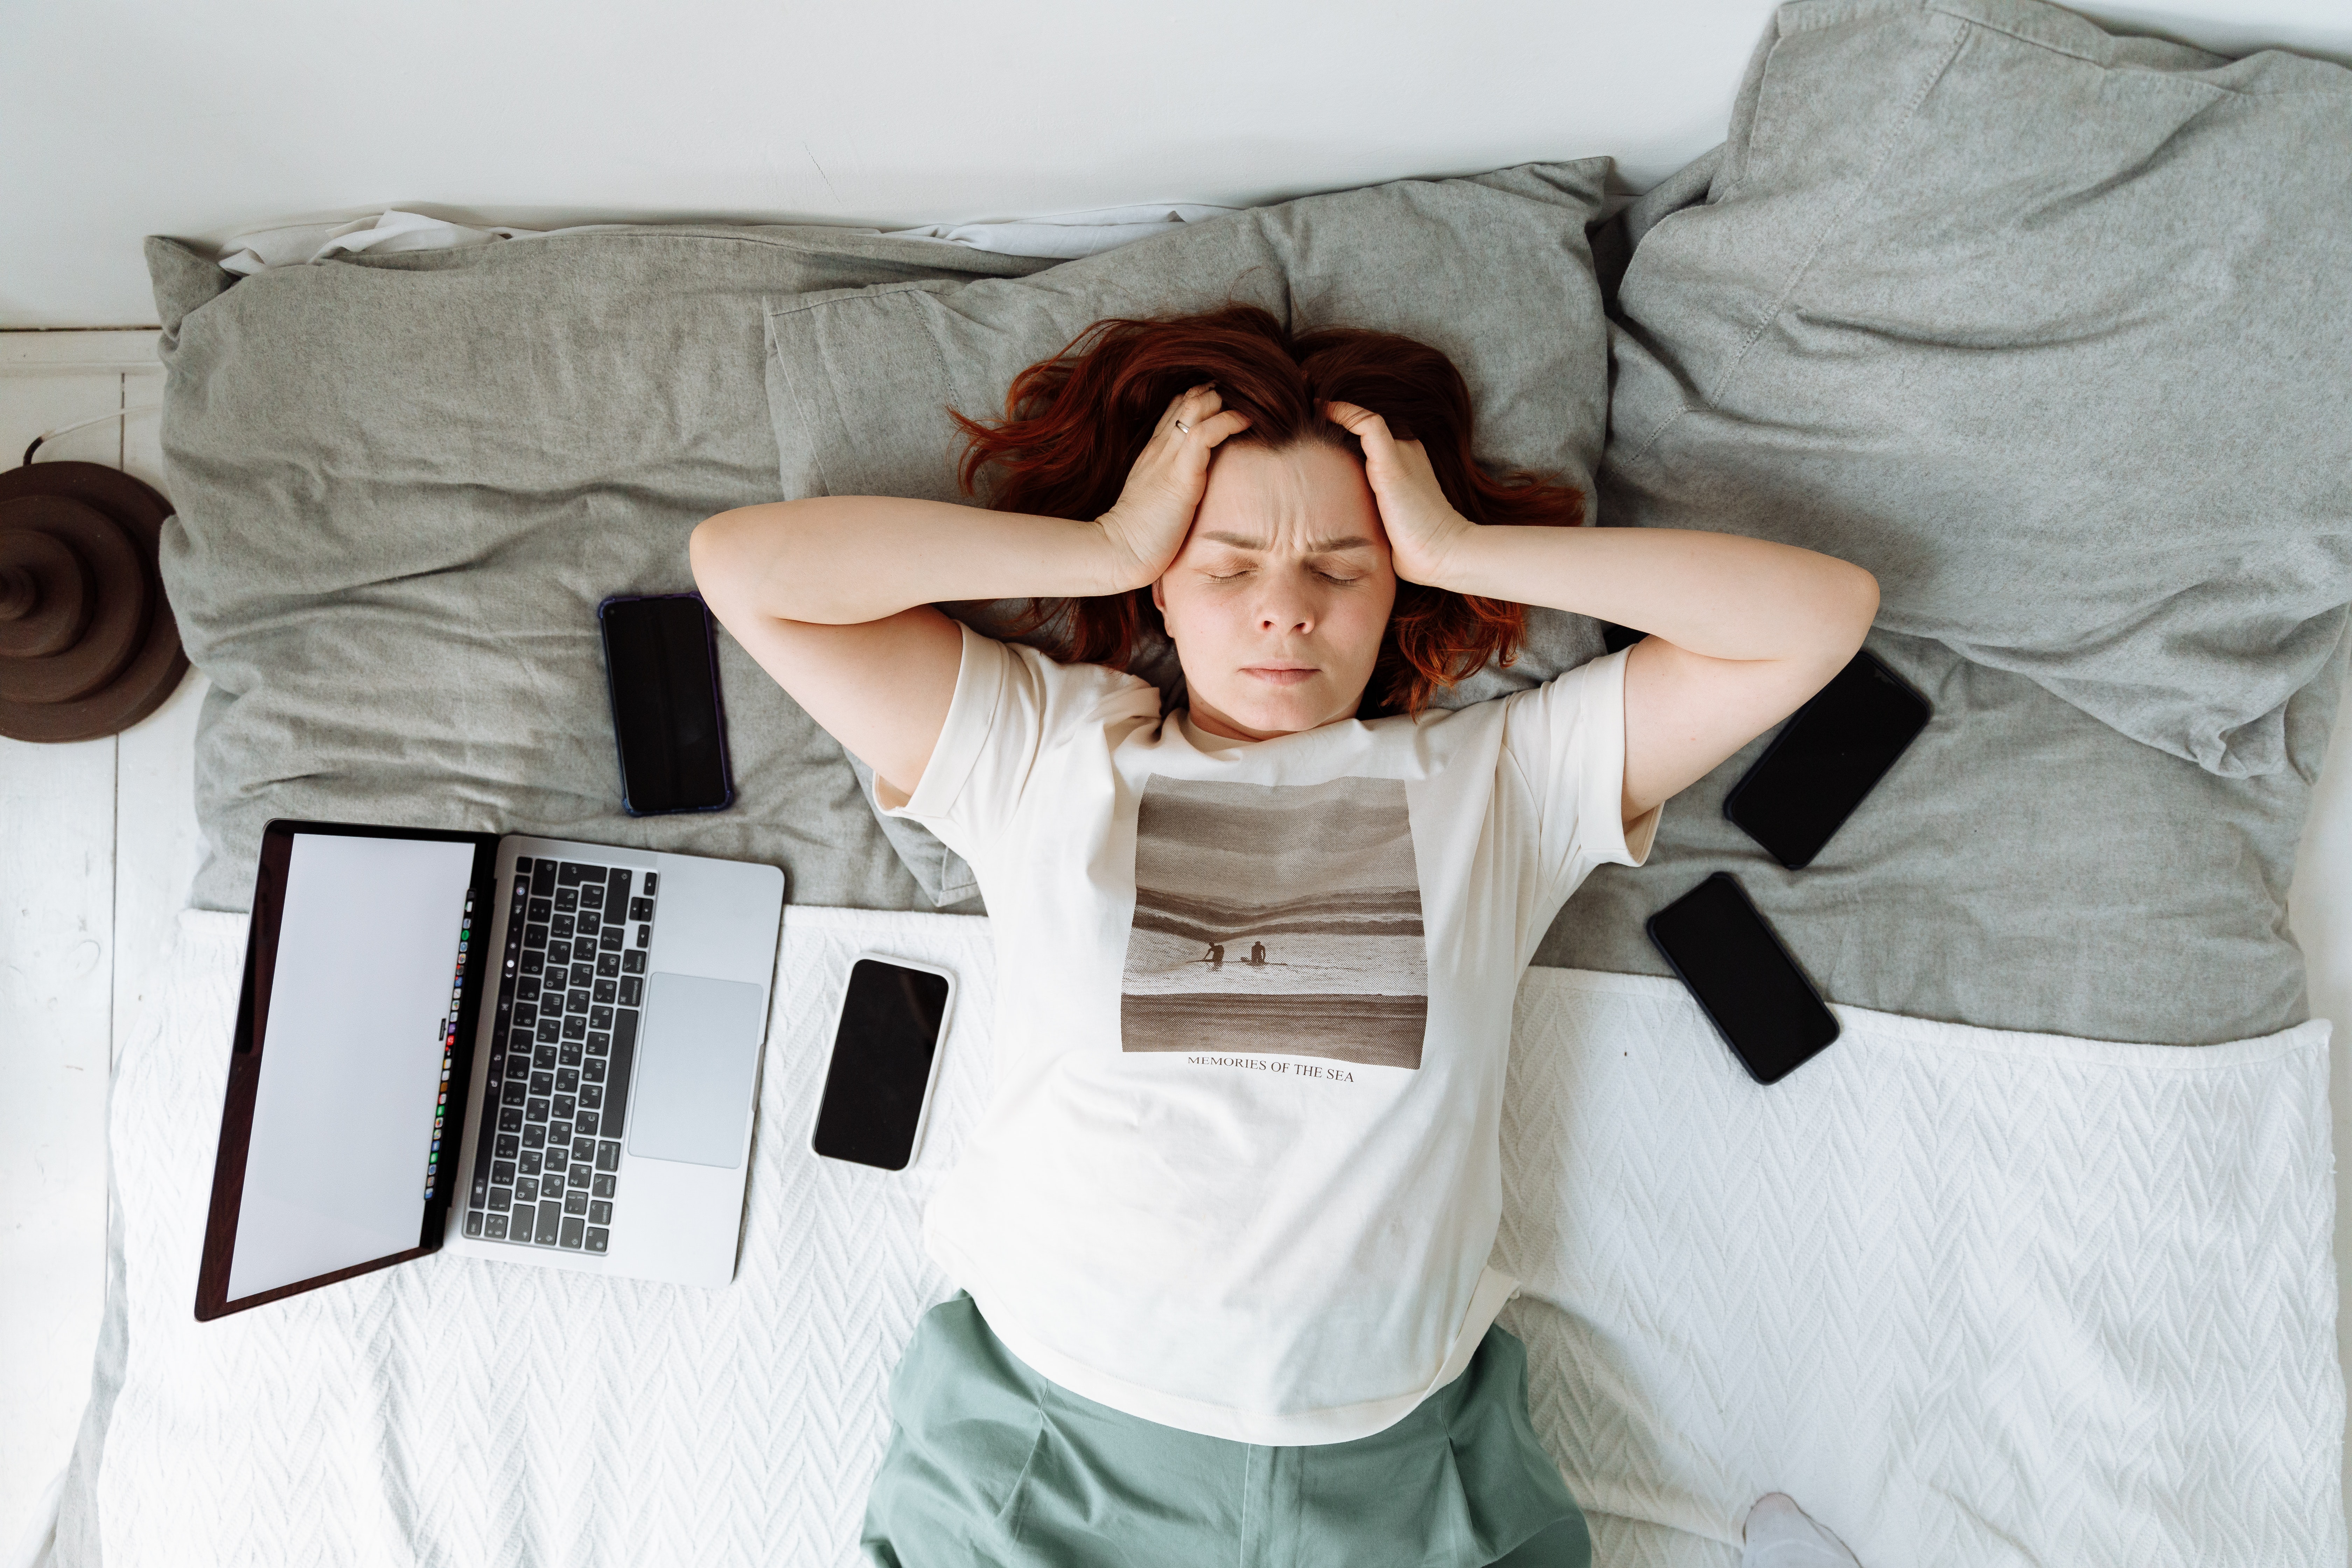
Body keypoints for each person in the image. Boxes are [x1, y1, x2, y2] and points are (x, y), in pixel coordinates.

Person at [691, 306, 1878, 1568]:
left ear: (1397, 588)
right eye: (1229, 562)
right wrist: (1095, 546)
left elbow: (1817, 614)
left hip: (1394, 1477)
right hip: (1055, 1454)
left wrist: (1464, 543)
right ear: (1161, 579)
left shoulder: (1506, 781)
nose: (1284, 611)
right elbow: (747, 570)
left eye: (1341, 567)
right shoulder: (1046, 750)